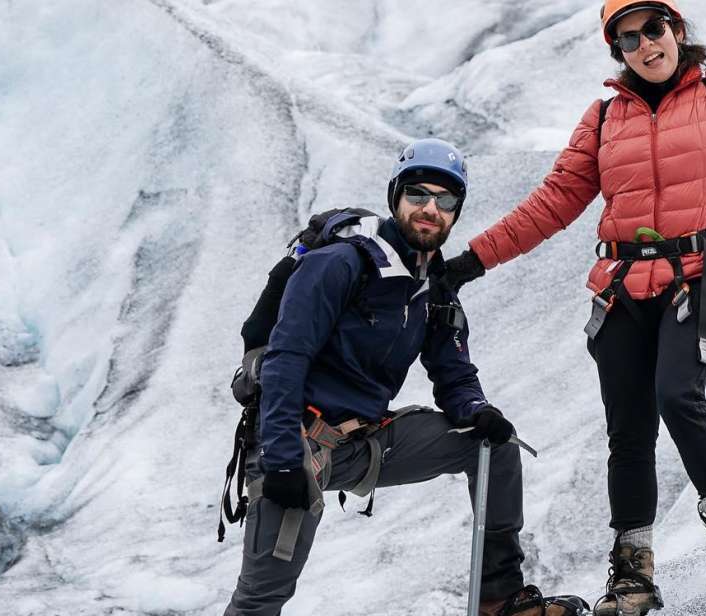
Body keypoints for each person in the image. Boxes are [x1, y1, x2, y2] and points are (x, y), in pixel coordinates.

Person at [439, 1, 706, 613]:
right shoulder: (606, 117)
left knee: (677, 395)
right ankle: (632, 574)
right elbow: (553, 203)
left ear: (676, 30)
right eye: (626, 37)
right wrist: (467, 264)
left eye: (653, 29)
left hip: (703, 272)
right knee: (627, 431)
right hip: (623, 287)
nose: (643, 44)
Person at [224, 138, 586, 616]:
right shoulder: (340, 263)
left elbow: (454, 373)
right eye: (418, 194)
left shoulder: (433, 287)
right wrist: (284, 460)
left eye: (446, 200)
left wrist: (476, 410)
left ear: (457, 212)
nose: (430, 209)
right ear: (395, 196)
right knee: (263, 596)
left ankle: (498, 599)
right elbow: (285, 359)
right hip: (296, 442)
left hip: (365, 442)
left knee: (493, 449)